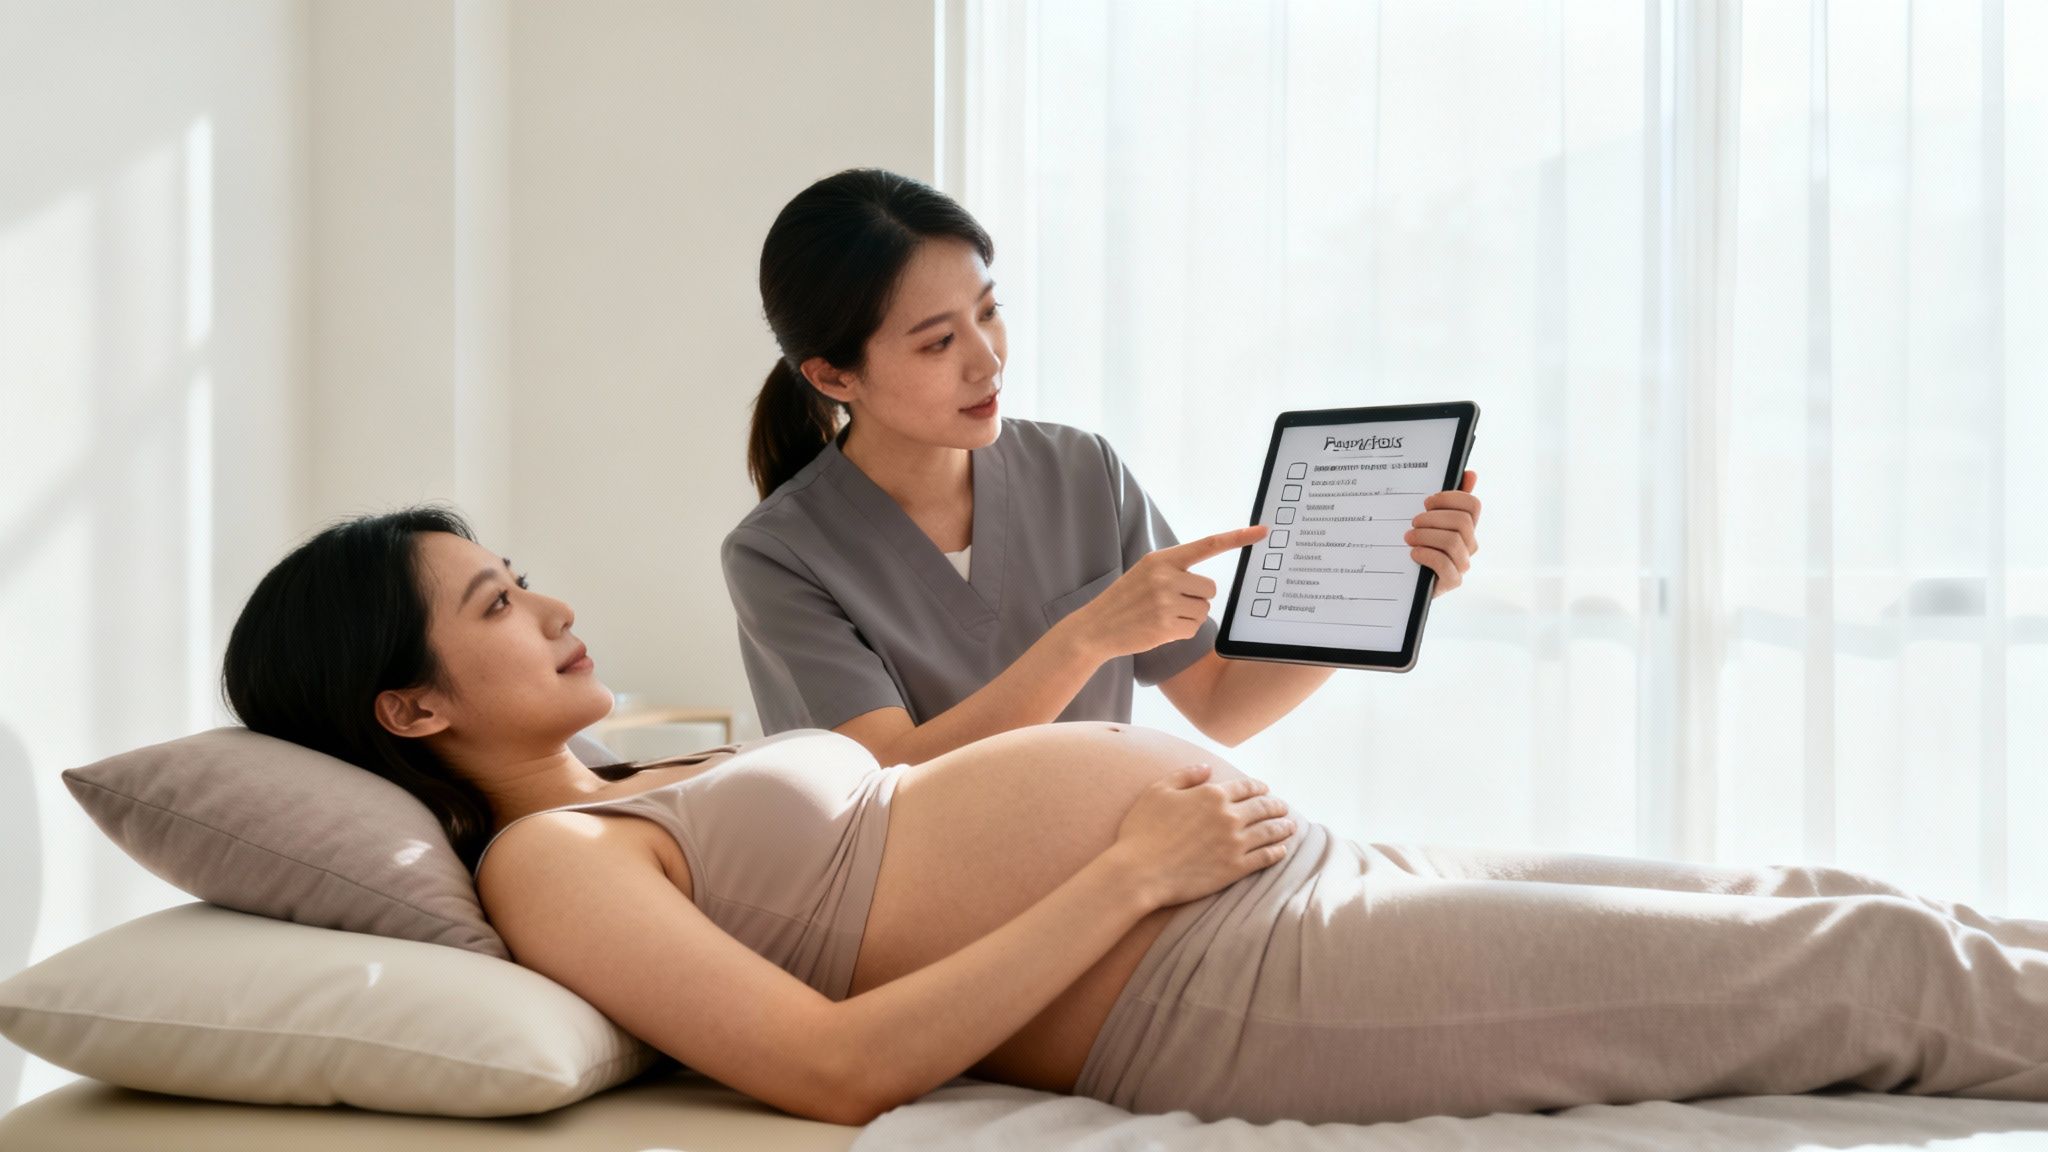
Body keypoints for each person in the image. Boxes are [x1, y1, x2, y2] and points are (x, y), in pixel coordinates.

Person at [224, 508, 2048, 1128]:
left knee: (1818, 892)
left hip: (1296, 874)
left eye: (520, 576)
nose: (545, 607)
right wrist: (1120, 870)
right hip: (1233, 978)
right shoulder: (545, 859)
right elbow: (836, 1069)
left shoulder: (646, 774)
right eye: (493, 607)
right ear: (411, 710)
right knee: (1860, 965)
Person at [725, 168, 1483, 766]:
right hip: (948, 910)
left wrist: (1390, 590)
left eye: (988, 312)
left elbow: (1224, 704)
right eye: (937, 342)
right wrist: (1085, 638)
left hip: (1136, 860)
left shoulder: (1080, 469)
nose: (988, 358)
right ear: (832, 377)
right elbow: (890, 777)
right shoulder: (779, 555)